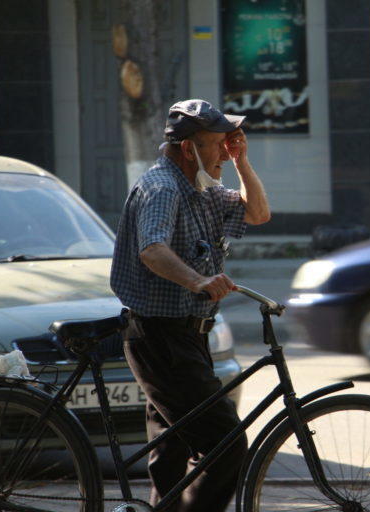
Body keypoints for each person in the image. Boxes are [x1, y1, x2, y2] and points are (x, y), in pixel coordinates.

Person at [110, 98, 271, 512]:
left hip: (185, 337)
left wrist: (240, 161)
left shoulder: (199, 189)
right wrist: (199, 279)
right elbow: (152, 250)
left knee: (171, 455)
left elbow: (257, 213)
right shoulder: (163, 188)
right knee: (226, 445)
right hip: (161, 338)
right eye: (218, 144)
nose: (224, 150)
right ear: (188, 148)